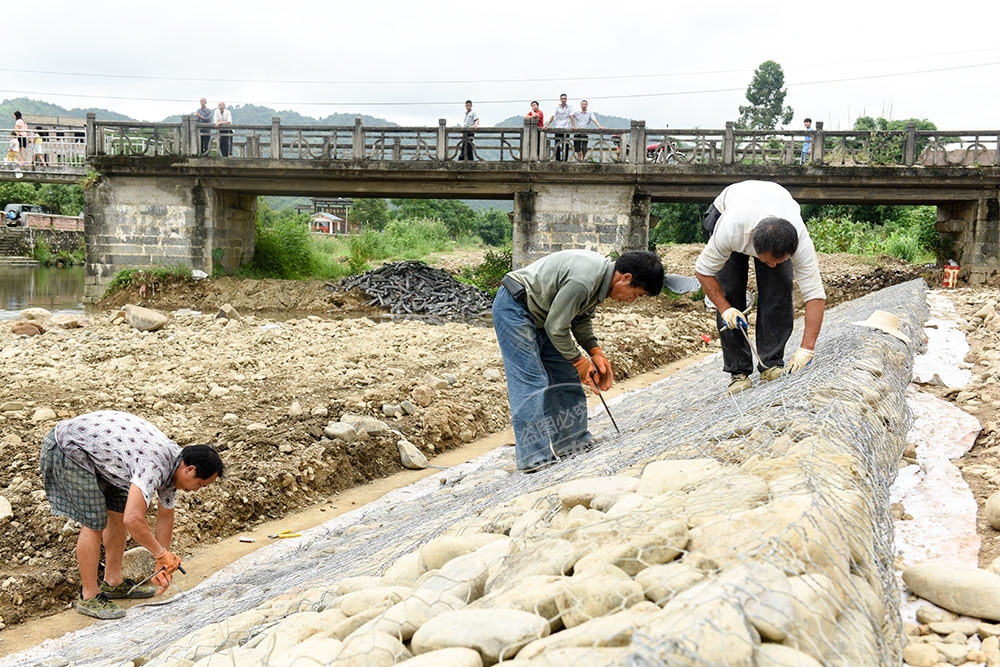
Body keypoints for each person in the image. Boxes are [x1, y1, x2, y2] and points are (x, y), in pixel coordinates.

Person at [39, 410, 224, 619]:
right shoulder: (155, 464)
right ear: (190, 470)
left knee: (117, 513)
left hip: (106, 458)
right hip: (70, 448)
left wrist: (161, 564)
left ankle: (113, 582)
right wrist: (161, 554)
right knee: (94, 522)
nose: (197, 490)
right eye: (200, 484)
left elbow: (165, 515)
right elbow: (134, 519)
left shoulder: (175, 465)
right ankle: (89, 595)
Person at [494, 249, 665, 471]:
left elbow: (580, 319)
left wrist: (595, 352)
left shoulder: (601, 281)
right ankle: (533, 459)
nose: (631, 301)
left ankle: (573, 443)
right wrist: (580, 362)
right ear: (626, 278)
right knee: (532, 381)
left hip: (545, 315)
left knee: (564, 374)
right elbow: (557, 328)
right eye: (637, 295)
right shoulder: (585, 280)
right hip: (515, 308)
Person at [695, 180, 826, 395]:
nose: (772, 265)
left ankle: (771, 363)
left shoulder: (800, 241)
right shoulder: (730, 232)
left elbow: (815, 295)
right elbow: (703, 270)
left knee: (779, 288)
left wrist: (806, 349)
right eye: (766, 261)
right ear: (753, 248)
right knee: (730, 289)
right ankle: (738, 371)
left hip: (776, 208)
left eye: (778, 260)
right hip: (728, 209)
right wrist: (725, 308)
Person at [545, 93, 573, 162]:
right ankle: (558, 159)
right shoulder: (557, 107)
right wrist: (548, 125)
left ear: (566, 99)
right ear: (560, 99)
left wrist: (573, 125)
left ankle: (565, 159)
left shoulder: (570, 107)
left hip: (566, 129)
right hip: (558, 128)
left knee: (566, 145)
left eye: (565, 99)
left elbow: (571, 116)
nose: (563, 100)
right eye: (562, 99)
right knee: (557, 144)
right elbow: (552, 116)